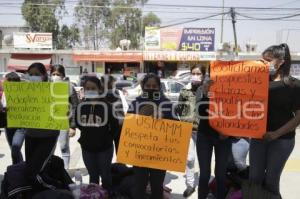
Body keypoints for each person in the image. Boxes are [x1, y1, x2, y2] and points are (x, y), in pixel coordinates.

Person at [249, 43, 300, 197]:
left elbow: (298, 117)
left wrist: (276, 134)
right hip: (258, 138)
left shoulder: (293, 85)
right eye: (261, 60)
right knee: (254, 179)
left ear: (281, 62)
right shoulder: (255, 82)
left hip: (282, 140)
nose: (263, 63)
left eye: (268, 60)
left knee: (271, 181)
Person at [128, 73, 175, 199]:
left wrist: (164, 114)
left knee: (157, 186)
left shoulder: (167, 104)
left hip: (159, 153)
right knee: (139, 185)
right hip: (139, 153)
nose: (151, 88)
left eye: (154, 85)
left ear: (159, 87)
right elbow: (127, 126)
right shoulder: (134, 103)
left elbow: (176, 127)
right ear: (143, 86)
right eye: (148, 85)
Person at [75, 76, 120, 193]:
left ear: (99, 89)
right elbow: (78, 123)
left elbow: (115, 126)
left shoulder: (108, 106)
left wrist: (107, 138)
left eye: (93, 88)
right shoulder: (80, 106)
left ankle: (107, 195)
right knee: (93, 176)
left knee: (105, 176)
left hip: (104, 148)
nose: (90, 90)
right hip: (87, 148)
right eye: (87, 88)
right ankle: (94, 195)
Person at [196, 70, 232, 199]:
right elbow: (200, 112)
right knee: (205, 174)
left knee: (221, 174)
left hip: (224, 136)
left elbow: (236, 113)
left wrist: (228, 132)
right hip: (204, 135)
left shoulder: (231, 89)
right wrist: (207, 94)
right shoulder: (203, 88)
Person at [25, 62, 60, 189]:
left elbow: (63, 110)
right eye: (31, 74)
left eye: (37, 74)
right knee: (31, 168)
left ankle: (54, 189)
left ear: (44, 76)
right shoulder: (24, 91)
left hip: (48, 136)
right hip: (30, 135)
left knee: (34, 171)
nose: (33, 77)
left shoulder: (55, 90)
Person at [176, 65, 206, 197]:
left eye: (198, 73)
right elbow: (178, 109)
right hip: (188, 129)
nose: (195, 75)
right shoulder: (184, 91)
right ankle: (190, 185)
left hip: (205, 131)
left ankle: (205, 185)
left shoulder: (208, 90)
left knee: (205, 160)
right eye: (193, 73)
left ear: (203, 75)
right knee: (189, 159)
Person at [50, 64, 79, 169]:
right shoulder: (46, 87)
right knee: (50, 148)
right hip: (50, 123)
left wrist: (73, 126)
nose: (55, 76)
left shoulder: (69, 87)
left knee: (63, 147)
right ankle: (50, 169)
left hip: (64, 122)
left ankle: (65, 170)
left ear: (63, 76)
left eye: (58, 74)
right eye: (53, 74)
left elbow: (75, 107)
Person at [1, 72, 25, 164]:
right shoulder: (4, 93)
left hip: (21, 126)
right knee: (13, 150)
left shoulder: (23, 93)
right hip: (8, 124)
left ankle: (19, 168)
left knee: (15, 148)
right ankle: (17, 169)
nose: (4, 83)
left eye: (6, 81)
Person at [101, 75, 126, 153]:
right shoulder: (98, 94)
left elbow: (125, 107)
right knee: (109, 150)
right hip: (109, 126)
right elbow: (125, 107)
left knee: (116, 150)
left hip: (115, 126)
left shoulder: (118, 92)